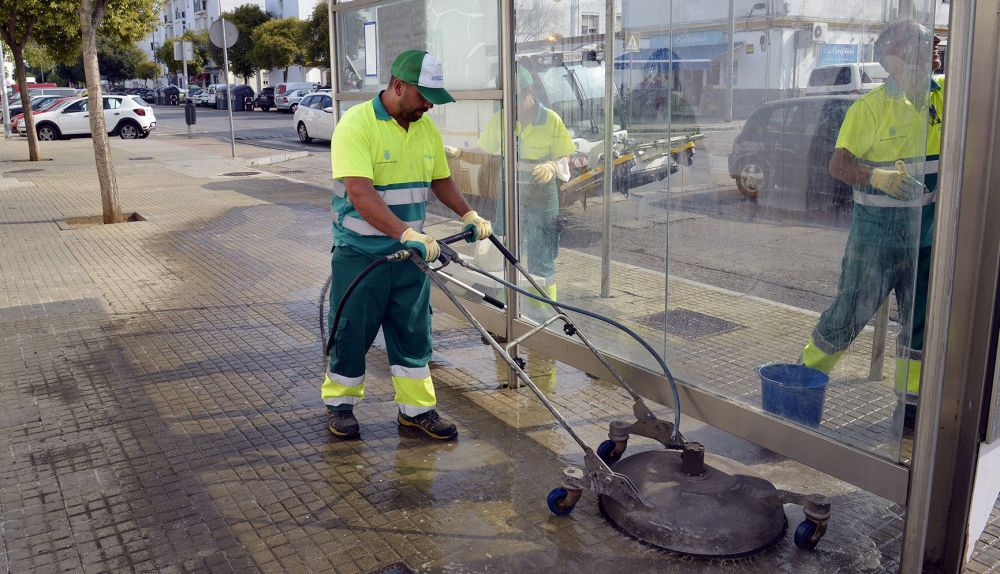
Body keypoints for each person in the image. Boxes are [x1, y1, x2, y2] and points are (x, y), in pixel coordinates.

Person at [323, 50, 493, 441]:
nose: (429, 105)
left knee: (414, 333)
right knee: (351, 333)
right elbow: (360, 194)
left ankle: (416, 412)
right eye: (424, 96)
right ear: (399, 86)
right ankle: (340, 405)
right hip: (361, 256)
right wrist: (407, 233)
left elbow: (440, 179)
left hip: (411, 256)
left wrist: (468, 214)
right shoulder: (356, 125)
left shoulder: (425, 128)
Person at [800, 21, 944, 426]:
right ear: (894, 58)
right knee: (846, 316)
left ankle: (910, 407)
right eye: (921, 42)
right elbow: (838, 165)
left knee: (920, 327)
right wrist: (878, 177)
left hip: (927, 241)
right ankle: (802, 381)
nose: (935, 45)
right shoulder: (869, 108)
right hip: (876, 241)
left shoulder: (945, 95)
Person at [475, 63, 576, 312]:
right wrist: (459, 155)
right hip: (510, 195)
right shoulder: (502, 119)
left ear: (530, 90)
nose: (513, 105)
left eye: (517, 98)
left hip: (543, 197)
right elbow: (483, 151)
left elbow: (566, 157)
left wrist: (553, 165)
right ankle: (504, 310)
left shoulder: (550, 120)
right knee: (505, 251)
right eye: (507, 99)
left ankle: (544, 313)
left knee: (542, 255)